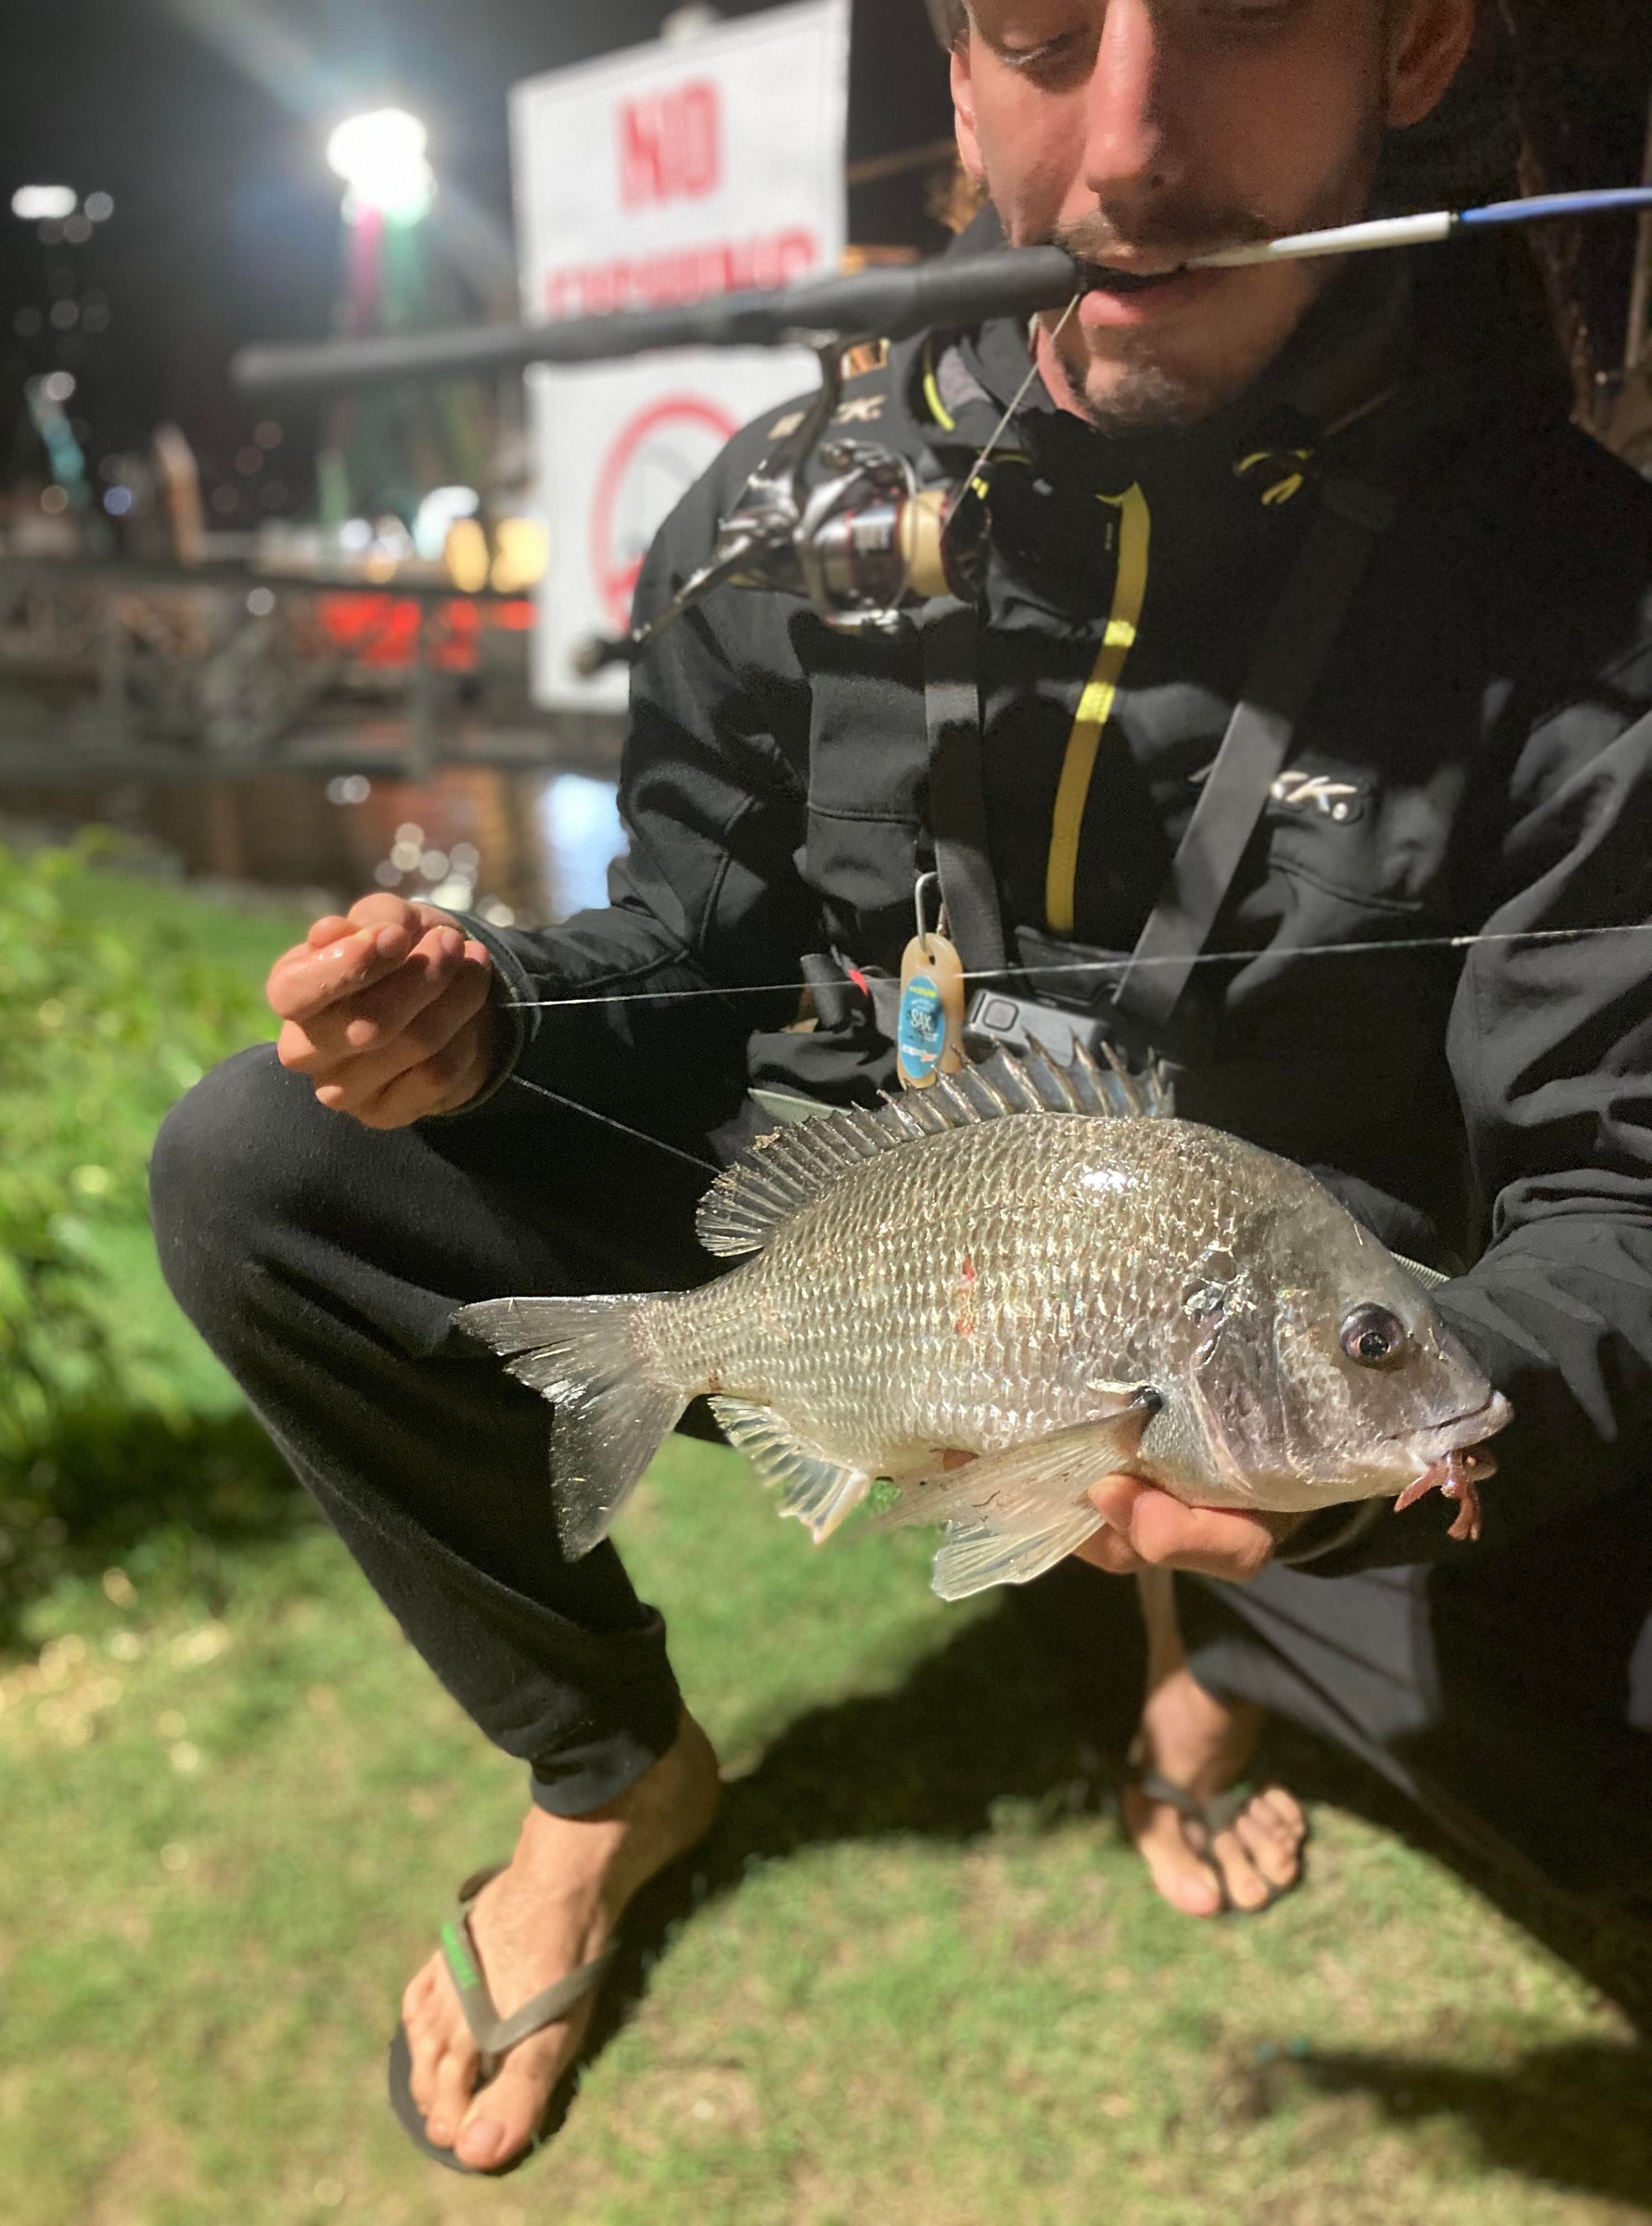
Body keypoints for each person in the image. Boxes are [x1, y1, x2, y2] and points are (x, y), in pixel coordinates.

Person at [151, 0, 1652, 2181]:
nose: (1126, 142)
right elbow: (689, 924)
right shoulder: (786, 508)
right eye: (1043, 30)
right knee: (258, 1164)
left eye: (1234, 20)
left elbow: (1621, 1192)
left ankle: (1225, 1627)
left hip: (1293, 1304)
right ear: (955, 74)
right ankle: (606, 1769)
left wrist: (1401, 1431)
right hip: (869, 1220)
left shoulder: (1585, 601)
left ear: (1414, 45)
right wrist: (481, 1015)